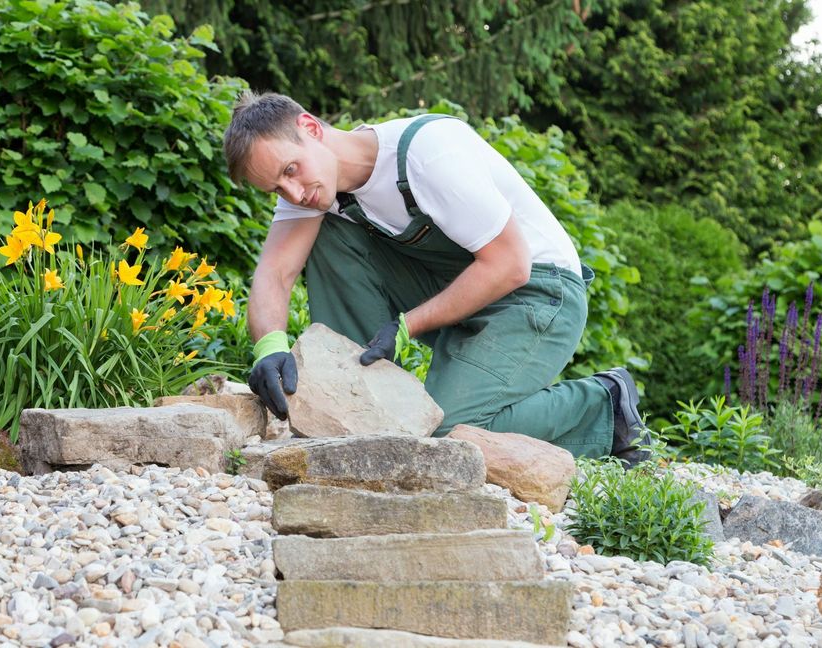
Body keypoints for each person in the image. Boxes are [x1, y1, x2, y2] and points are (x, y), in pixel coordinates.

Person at [222, 91, 650, 466]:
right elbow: (275, 274)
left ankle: (602, 406)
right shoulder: (316, 191)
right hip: (464, 289)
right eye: (277, 189)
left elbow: (510, 264)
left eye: (291, 170)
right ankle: (360, 411)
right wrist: (269, 349)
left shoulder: (427, 154)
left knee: (449, 432)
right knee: (329, 231)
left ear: (311, 128)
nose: (294, 194)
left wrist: (408, 327)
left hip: (539, 292)